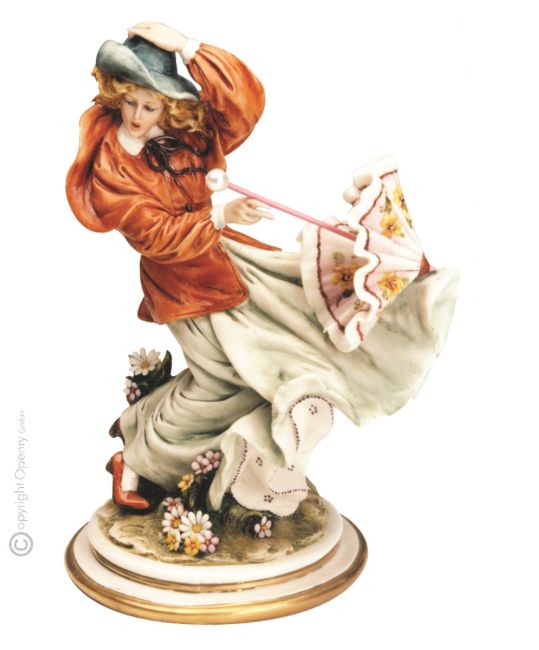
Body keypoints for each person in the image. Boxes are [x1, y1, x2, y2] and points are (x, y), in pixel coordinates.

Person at [66, 22, 458, 517]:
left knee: (294, 317)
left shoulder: (184, 133)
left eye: (151, 105)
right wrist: (218, 216)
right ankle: (136, 457)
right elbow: (152, 236)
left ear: (167, 103)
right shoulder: (111, 163)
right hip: (182, 280)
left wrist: (188, 47)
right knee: (223, 380)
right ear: (115, 95)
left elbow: (242, 106)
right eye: (131, 103)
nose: (139, 116)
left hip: (226, 258)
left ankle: (140, 423)